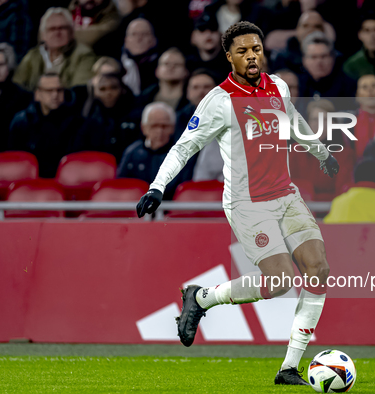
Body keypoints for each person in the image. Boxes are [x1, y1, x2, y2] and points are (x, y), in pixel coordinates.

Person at [135, 21, 340, 386]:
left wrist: (321, 152)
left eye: (256, 49)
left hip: (286, 195)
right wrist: (157, 186)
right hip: (248, 204)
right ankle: (202, 298)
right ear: (228, 56)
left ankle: (289, 367)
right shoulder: (219, 101)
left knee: (319, 271)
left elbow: (292, 121)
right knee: (279, 281)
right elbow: (185, 146)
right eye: (242, 51)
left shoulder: (277, 86)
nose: (251, 56)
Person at [9, 73, 83, 178]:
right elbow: (15, 158)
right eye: (49, 91)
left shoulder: (75, 122)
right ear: (37, 94)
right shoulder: (22, 122)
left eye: (59, 90)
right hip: (30, 180)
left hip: (66, 179)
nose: (55, 95)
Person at [117, 102, 195, 198]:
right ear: (144, 128)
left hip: (170, 208)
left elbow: (184, 191)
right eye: (154, 126)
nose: (159, 131)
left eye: (164, 126)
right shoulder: (131, 153)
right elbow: (121, 187)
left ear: (173, 128)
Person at [13, 7, 98, 91]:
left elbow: (79, 92)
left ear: (72, 32)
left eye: (62, 28)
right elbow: (16, 86)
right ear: (43, 35)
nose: (57, 33)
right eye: (52, 29)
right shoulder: (33, 55)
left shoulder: (84, 55)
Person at [74, 72, 140, 162]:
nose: (108, 93)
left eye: (113, 88)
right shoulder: (89, 122)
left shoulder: (136, 117)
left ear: (123, 89)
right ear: (96, 93)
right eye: (102, 89)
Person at [298, 32, 356, 100]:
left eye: (324, 56)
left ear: (333, 58)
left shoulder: (349, 86)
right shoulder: (297, 85)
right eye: (314, 57)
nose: (319, 62)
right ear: (304, 60)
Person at [270, 11, 326, 75]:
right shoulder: (283, 58)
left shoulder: (336, 58)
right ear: (298, 30)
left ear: (323, 30)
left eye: (317, 26)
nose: (311, 30)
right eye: (305, 26)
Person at [136, 47, 190, 113]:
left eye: (177, 64)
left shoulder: (192, 101)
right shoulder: (143, 99)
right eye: (166, 64)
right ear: (157, 70)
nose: (171, 67)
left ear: (186, 72)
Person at [121, 18, 159, 96]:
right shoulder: (117, 66)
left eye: (144, 34)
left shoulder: (161, 66)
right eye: (134, 34)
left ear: (154, 40)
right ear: (126, 41)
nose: (139, 39)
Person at [354, 74, 375, 158]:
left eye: (374, 86)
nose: (370, 90)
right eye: (364, 87)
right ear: (357, 96)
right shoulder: (348, 123)